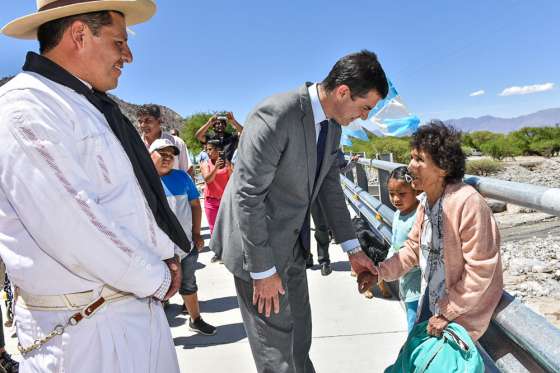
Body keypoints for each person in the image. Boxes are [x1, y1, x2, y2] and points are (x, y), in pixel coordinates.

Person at [0, 2, 189, 372]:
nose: (128, 56)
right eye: (119, 42)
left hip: (128, 313)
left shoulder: (85, 106)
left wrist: (164, 254)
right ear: (79, 35)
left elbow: (128, 201)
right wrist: (158, 276)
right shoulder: (25, 108)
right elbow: (72, 226)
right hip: (90, 334)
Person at [210, 50, 389, 373]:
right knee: (276, 357)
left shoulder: (333, 127)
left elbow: (329, 186)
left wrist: (352, 248)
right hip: (257, 249)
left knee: (299, 342)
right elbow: (248, 196)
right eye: (364, 108)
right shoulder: (277, 114)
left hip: (293, 245)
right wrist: (262, 272)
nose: (363, 117)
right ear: (343, 92)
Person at [374, 121, 503, 342]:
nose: (410, 166)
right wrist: (379, 272)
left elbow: (481, 269)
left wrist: (447, 312)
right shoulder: (426, 202)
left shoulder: (467, 203)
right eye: (412, 157)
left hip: (459, 316)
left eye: (419, 160)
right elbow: (413, 249)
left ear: (443, 168)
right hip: (433, 303)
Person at [150, 138, 217, 336]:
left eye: (171, 156)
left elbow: (195, 206)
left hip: (185, 244)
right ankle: (156, 330)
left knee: (189, 283)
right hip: (156, 249)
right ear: (150, 155)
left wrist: (197, 233)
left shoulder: (183, 177)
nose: (167, 158)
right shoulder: (143, 180)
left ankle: (195, 319)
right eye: (163, 154)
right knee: (155, 287)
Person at [360, 166, 421, 330]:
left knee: (414, 326)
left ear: (416, 190)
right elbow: (394, 247)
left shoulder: (420, 215)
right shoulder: (397, 214)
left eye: (402, 194)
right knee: (411, 320)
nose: (395, 199)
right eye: (391, 193)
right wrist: (381, 270)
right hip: (404, 282)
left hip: (419, 286)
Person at [307, 150, 361, 275]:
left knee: (321, 226)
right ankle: (307, 257)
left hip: (324, 192)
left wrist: (352, 163)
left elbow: (338, 169)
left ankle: (324, 261)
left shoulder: (333, 146)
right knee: (302, 227)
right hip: (303, 193)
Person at [138, 104, 193, 175]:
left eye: (148, 121)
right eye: (140, 122)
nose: (143, 125)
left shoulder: (177, 142)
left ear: (159, 121)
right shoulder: (136, 145)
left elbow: (186, 171)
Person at [201, 141, 233, 263]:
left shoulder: (226, 163)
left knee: (227, 226)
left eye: (211, 149)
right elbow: (207, 179)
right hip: (211, 201)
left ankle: (227, 252)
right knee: (213, 228)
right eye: (207, 150)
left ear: (219, 150)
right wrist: (215, 168)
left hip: (225, 201)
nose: (208, 152)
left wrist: (228, 167)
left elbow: (232, 179)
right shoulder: (205, 164)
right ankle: (218, 252)